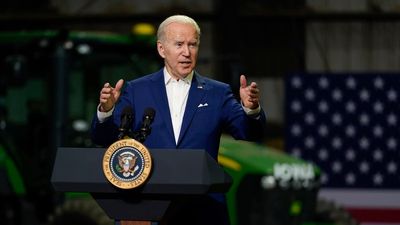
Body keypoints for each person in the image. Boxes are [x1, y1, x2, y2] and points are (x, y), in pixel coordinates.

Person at [91, 15, 267, 225]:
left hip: (203, 209)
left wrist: (251, 109)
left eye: (192, 44)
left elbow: (249, 132)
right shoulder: (136, 90)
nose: (187, 52)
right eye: (179, 44)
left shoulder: (217, 93)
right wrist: (106, 111)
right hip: (149, 208)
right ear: (161, 49)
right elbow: (103, 138)